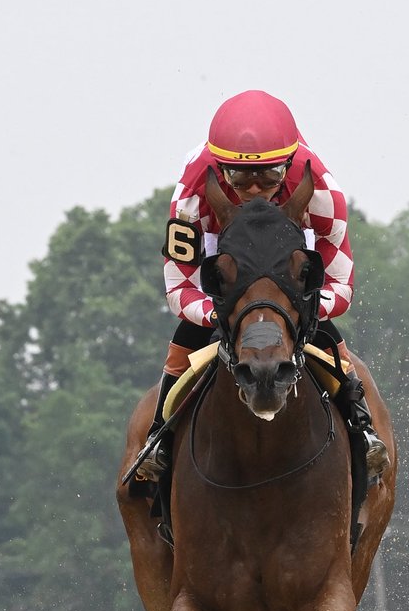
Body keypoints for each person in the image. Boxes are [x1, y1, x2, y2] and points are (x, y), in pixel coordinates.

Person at [133, 89, 389, 482]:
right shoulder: (190, 199)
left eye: (269, 176)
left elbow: (341, 286)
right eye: (240, 177)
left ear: (289, 165)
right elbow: (178, 288)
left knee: (321, 334)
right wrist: (225, 315)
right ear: (220, 170)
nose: (255, 190)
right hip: (224, 251)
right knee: (186, 334)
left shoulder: (322, 193)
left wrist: (296, 312)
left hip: (287, 263)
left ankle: (362, 427)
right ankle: (158, 439)